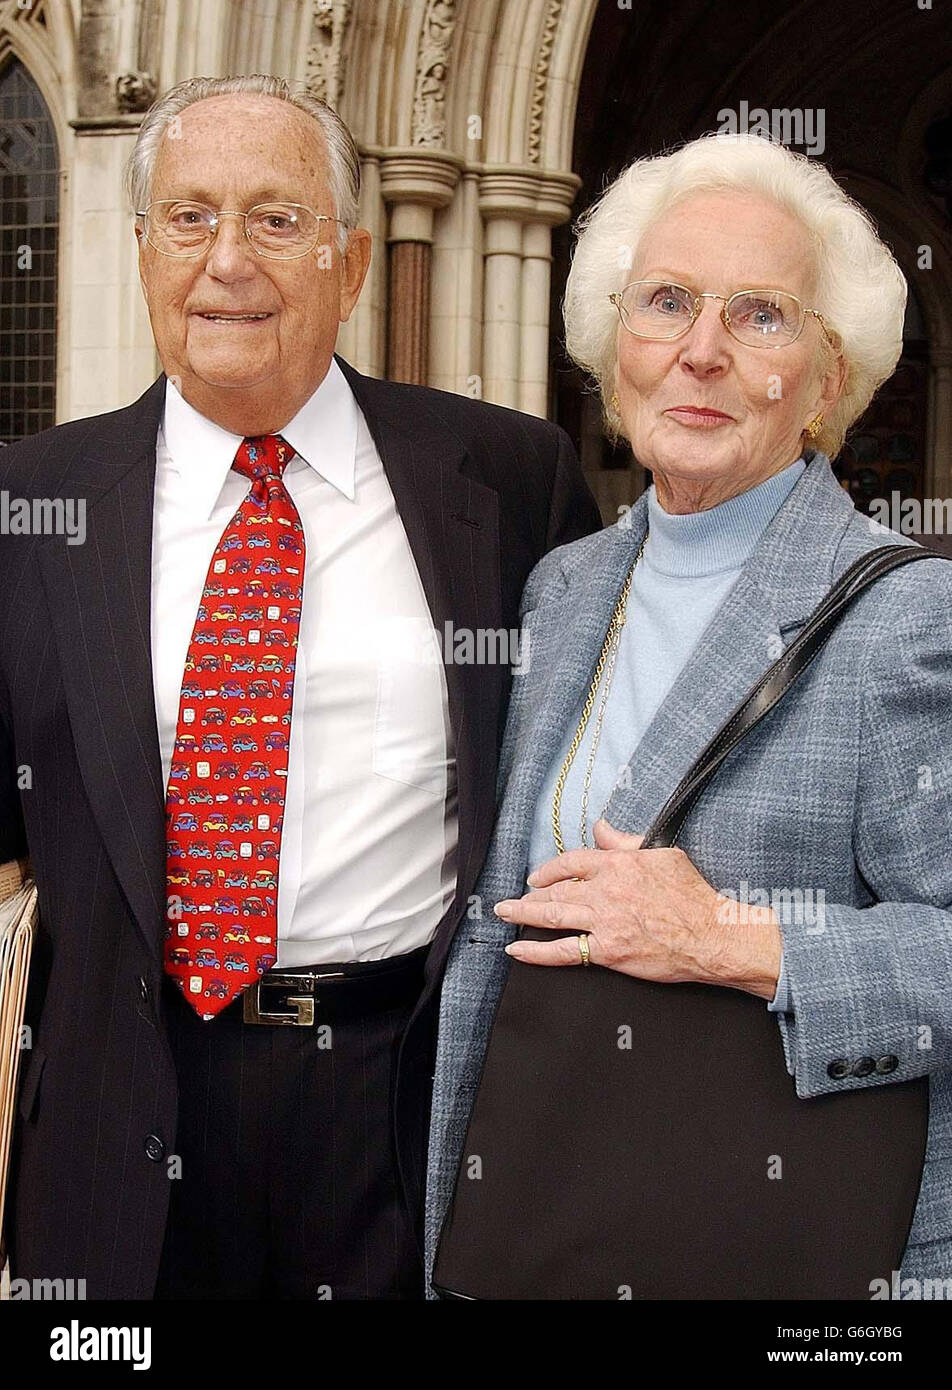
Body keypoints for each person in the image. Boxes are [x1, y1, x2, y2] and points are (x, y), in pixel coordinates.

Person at [0, 74, 599, 1299]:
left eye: (277, 218)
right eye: (188, 218)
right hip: (124, 1106)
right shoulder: (29, 505)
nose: (227, 261)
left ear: (355, 260)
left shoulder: (506, 479)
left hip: (403, 1100)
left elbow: (575, 766)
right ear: (141, 250)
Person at [425, 131, 952, 1295]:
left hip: (777, 1249)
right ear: (616, 351)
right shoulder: (564, 589)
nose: (701, 352)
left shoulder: (908, 618)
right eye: (666, 302)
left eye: (758, 314)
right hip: (539, 1215)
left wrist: (732, 939)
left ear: (827, 380)